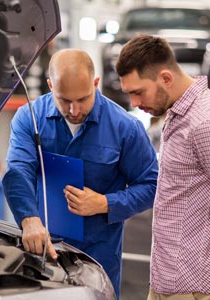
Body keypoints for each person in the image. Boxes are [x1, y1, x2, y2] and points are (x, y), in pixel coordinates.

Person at [2, 48, 158, 299]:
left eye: (83, 99)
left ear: (95, 84)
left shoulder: (125, 128)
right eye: (64, 100)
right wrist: (28, 218)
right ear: (51, 85)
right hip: (42, 250)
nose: (74, 110)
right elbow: (18, 170)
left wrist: (104, 203)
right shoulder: (29, 118)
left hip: (99, 257)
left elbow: (151, 185)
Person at [116, 34, 210, 300]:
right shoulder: (178, 114)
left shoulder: (203, 122)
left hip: (192, 290)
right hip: (164, 281)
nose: (133, 103)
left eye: (138, 92)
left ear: (166, 79)